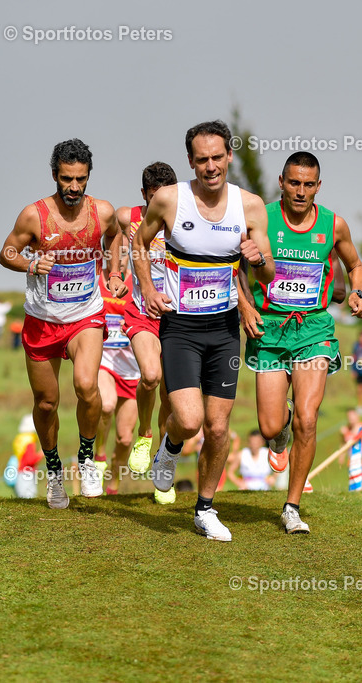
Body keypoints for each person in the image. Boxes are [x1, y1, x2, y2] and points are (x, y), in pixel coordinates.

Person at [133, 120, 274, 542]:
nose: (210, 166)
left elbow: (268, 273)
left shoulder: (250, 206)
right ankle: (169, 448)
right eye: (201, 159)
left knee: (218, 427)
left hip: (224, 329)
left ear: (229, 155)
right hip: (180, 327)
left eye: (217, 157)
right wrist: (147, 287)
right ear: (190, 162)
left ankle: (205, 510)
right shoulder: (169, 199)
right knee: (190, 419)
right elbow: (138, 244)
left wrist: (257, 258)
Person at [238, 151, 362, 534]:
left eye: (308, 184)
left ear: (318, 186)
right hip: (269, 329)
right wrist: (245, 306)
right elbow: (236, 267)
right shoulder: (261, 217)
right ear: (281, 182)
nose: (300, 191)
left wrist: (357, 292)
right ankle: (281, 431)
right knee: (269, 426)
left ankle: (292, 507)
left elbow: (355, 266)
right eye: (294, 183)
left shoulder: (333, 225)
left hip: (313, 329)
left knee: (309, 419)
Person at [0, 138, 124, 509]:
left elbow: (115, 236)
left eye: (80, 179)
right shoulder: (34, 215)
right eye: (67, 178)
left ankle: (86, 459)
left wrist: (114, 272)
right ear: (55, 175)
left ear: (88, 176)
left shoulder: (102, 211)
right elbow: (6, 253)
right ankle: (54, 472)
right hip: (43, 320)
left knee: (86, 385)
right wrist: (30, 263)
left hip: (86, 315)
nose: (73, 186)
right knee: (46, 403)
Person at [116, 162, 178, 485]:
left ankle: (163, 464)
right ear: (144, 194)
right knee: (151, 376)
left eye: (165, 196)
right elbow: (111, 233)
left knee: (170, 398)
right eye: (153, 197)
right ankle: (144, 433)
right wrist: (116, 271)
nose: (159, 203)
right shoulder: (129, 217)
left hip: (177, 317)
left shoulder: (186, 220)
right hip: (141, 312)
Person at [95, 264, 141, 497]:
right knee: (106, 405)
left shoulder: (140, 280)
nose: (118, 259)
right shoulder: (96, 278)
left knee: (125, 439)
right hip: (104, 359)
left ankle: (113, 485)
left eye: (124, 252)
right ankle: (99, 455)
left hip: (132, 367)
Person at [13, 414, 43, 499]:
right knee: (29, 497)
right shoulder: (29, 440)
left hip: (20, 471)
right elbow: (30, 460)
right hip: (27, 473)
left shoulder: (19, 438)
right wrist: (41, 454)